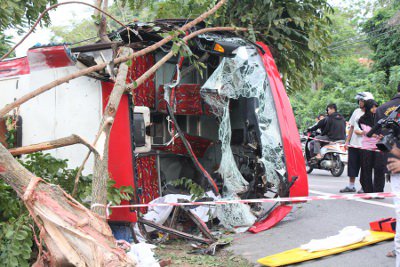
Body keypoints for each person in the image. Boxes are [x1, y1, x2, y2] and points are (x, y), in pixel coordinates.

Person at [340, 92, 374, 193]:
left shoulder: (372, 113)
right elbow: (352, 127)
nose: (360, 102)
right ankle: (351, 185)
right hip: (354, 144)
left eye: (362, 101)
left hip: (365, 146)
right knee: (352, 165)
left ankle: (364, 186)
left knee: (365, 167)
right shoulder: (356, 111)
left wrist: (364, 132)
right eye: (359, 100)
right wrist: (347, 141)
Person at [358, 100, 385, 193]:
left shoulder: (380, 118)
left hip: (378, 147)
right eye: (372, 107)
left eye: (376, 107)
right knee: (366, 169)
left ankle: (379, 190)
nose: (374, 109)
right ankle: (367, 190)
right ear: (368, 108)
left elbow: (384, 129)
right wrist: (378, 135)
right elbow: (367, 132)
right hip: (367, 147)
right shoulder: (362, 119)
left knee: (379, 169)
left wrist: (382, 134)